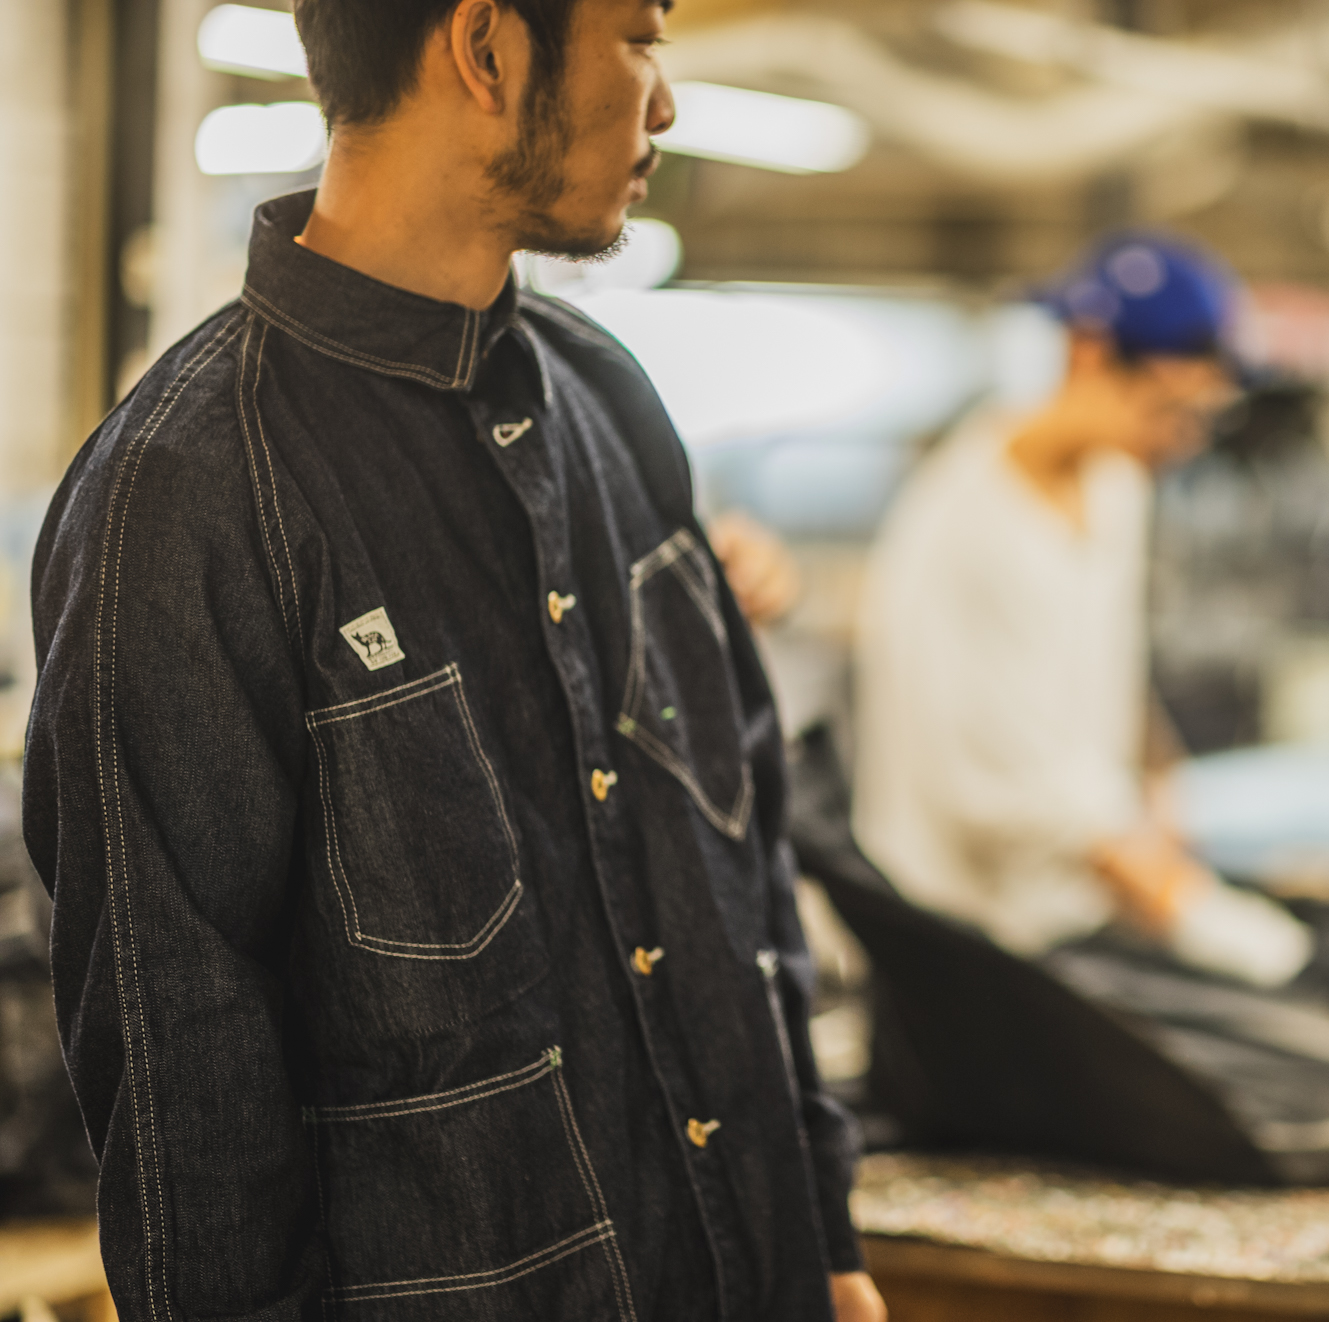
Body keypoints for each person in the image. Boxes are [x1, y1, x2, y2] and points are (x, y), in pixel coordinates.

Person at [24, 2, 884, 1318]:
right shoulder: (185, 496)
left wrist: (820, 1230)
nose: (663, 102)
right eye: (640, 38)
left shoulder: (609, 400)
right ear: (486, 48)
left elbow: (744, 843)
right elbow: (182, 1080)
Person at [852, 234, 1312, 987]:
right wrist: (1197, 914)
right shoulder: (969, 523)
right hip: (969, 936)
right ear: (1090, 353)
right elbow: (1005, 795)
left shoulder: (1114, 485)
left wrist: (1159, 786)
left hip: (1072, 918)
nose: (1181, 442)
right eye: (1169, 410)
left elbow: (1108, 665)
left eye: (1200, 418)